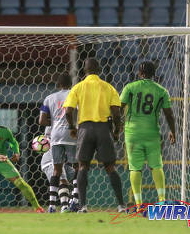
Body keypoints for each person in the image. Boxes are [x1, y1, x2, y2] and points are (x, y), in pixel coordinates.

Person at [63, 58, 125, 213]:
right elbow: (116, 114)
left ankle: (83, 206)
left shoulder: (78, 87)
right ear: (99, 69)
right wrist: (116, 131)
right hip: (103, 129)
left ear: (84, 70)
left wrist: (72, 127)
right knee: (110, 167)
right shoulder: (108, 87)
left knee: (83, 166)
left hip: (84, 129)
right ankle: (121, 206)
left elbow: (68, 111)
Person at [120, 61, 176, 211]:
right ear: (154, 74)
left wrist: (116, 127)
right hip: (152, 133)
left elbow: (119, 108)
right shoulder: (162, 90)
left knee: (135, 169)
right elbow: (168, 114)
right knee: (156, 166)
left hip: (132, 133)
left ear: (139, 73)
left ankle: (139, 204)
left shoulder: (130, 88)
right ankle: (162, 201)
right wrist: (173, 131)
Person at [39, 73, 78, 213]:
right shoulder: (75, 95)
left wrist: (54, 122)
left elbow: (41, 121)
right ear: (71, 83)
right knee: (77, 167)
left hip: (55, 136)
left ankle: (51, 205)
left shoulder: (49, 98)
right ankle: (75, 201)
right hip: (71, 133)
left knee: (57, 170)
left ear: (57, 84)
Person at [39, 126, 76, 213]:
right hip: (50, 160)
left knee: (80, 178)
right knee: (62, 180)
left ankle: (72, 202)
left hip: (62, 161)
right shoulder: (54, 125)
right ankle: (63, 207)